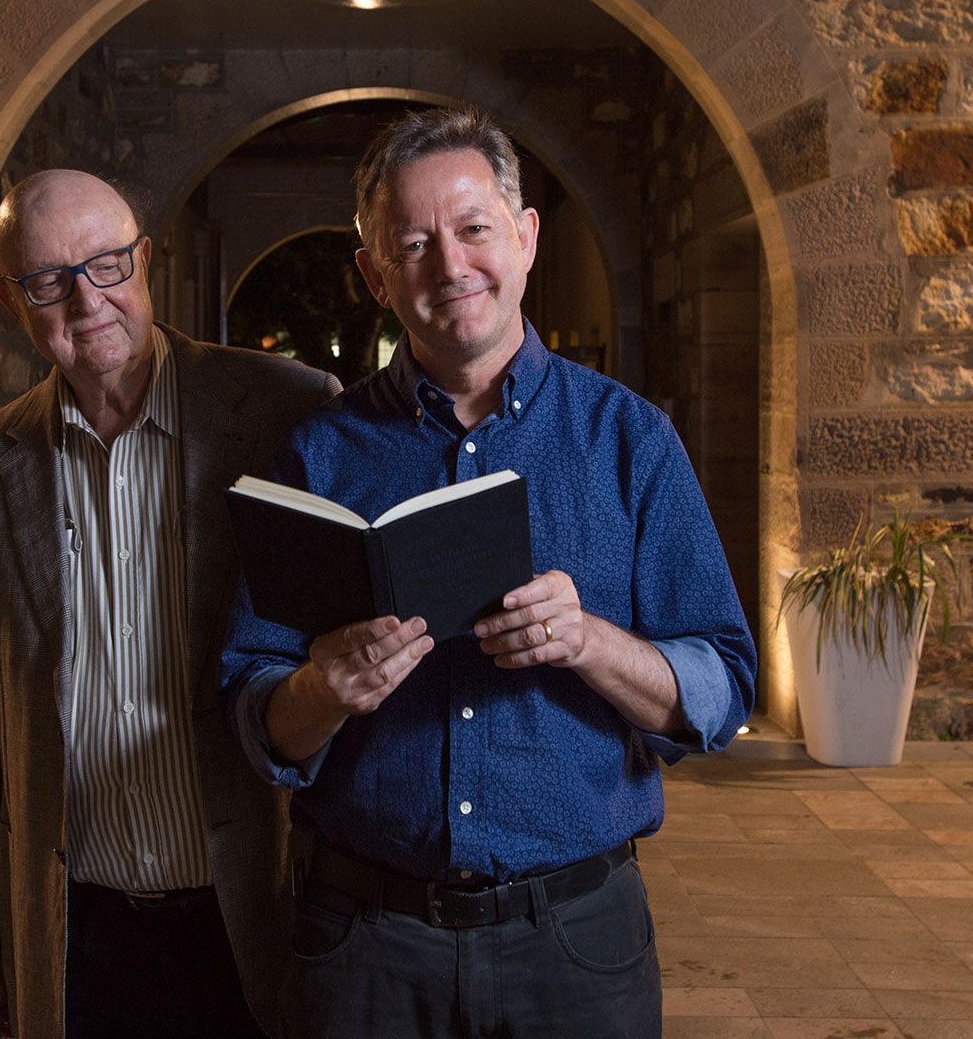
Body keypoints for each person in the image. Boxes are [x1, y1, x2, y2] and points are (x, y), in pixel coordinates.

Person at [221, 107, 758, 1039]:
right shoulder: (318, 452)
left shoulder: (631, 440)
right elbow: (249, 704)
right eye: (414, 243)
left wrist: (592, 642)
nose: (450, 265)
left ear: (526, 237)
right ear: (374, 275)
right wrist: (323, 687)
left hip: (576, 946)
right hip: (362, 948)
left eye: (473, 229)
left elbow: (721, 689)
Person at [0, 169, 340, 1039]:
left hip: (259, 912)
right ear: (14, 302)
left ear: (145, 262)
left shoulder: (285, 411)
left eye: (107, 265)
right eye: (50, 280)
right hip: (77, 933)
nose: (86, 300)